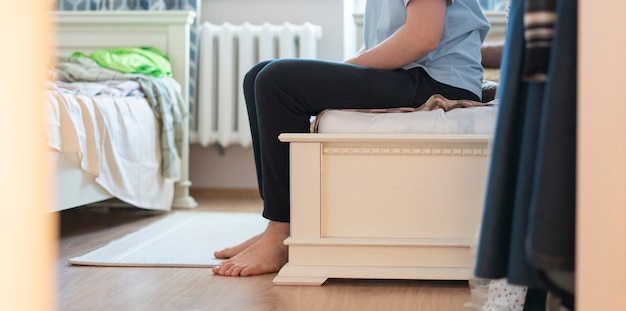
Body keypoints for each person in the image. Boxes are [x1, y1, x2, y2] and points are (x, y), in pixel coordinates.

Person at [212, 0, 490, 277]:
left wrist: (348, 67)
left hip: (438, 81)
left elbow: (422, 37)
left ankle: (281, 233)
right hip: (409, 74)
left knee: (276, 80)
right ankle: (277, 225)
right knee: (258, 76)